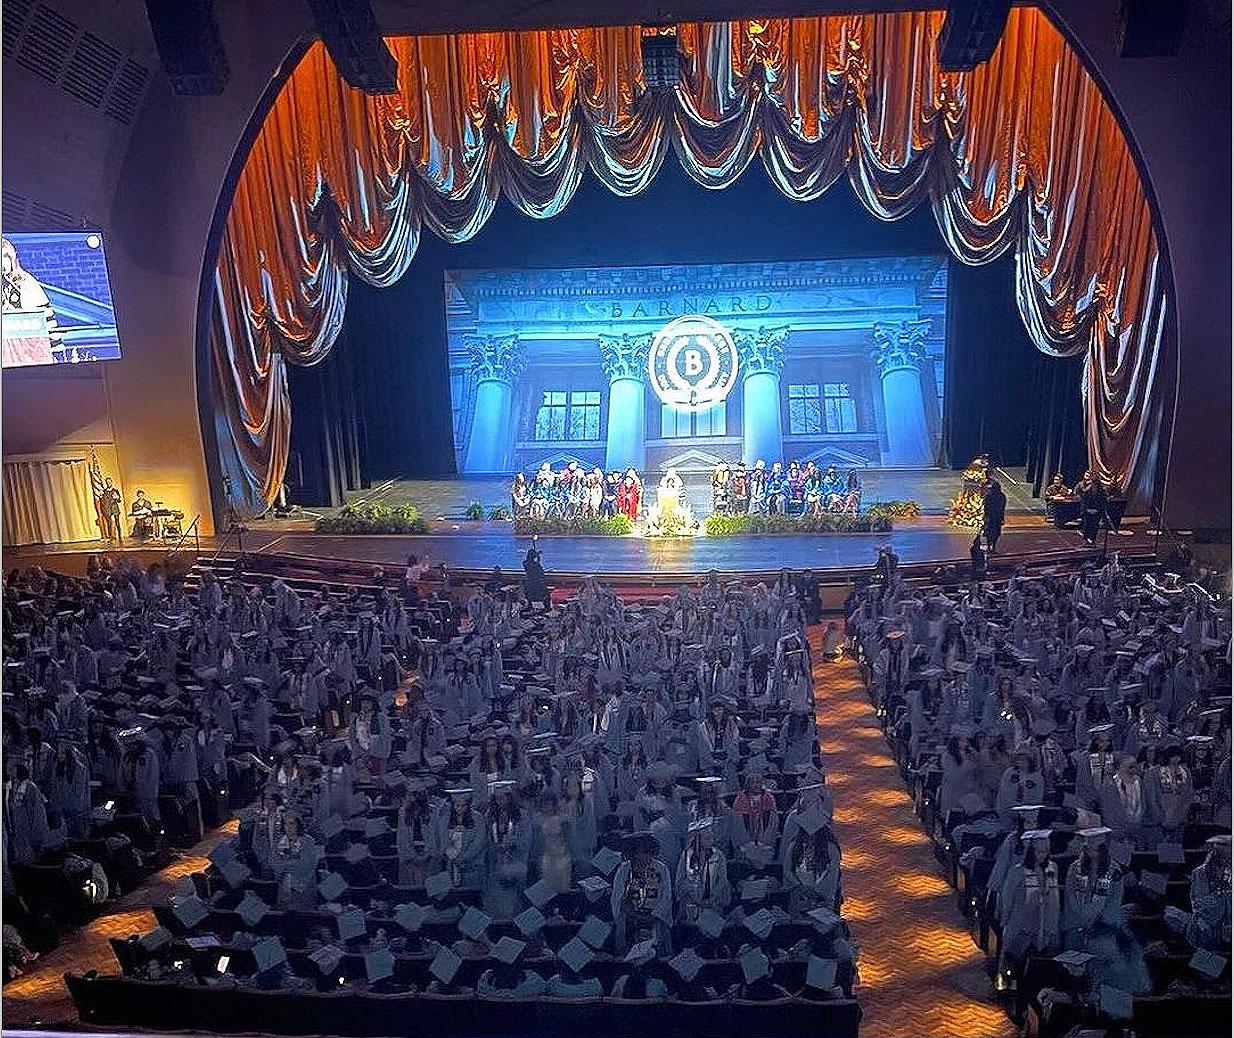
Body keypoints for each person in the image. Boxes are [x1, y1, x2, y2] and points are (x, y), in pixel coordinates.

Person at [982, 479, 1006, 555]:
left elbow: (986, 507)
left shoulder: (989, 496)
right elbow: (1002, 508)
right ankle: (992, 547)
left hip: (991, 517)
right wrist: (1002, 518)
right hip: (996, 517)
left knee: (990, 533)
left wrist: (985, 517)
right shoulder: (1001, 496)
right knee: (996, 533)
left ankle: (990, 547)